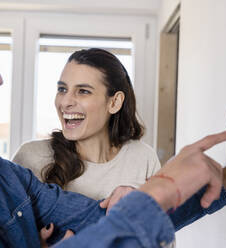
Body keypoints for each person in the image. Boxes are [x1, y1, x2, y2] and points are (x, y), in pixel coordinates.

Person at [0, 0, 226, 247]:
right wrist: (161, 188)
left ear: (115, 103)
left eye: (83, 91)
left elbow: (100, 221)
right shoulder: (26, 159)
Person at [13, 48, 160, 206]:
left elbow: (158, 228)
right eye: (62, 89)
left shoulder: (143, 159)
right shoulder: (31, 157)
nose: (65, 102)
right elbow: (5, 225)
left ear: (114, 102)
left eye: (83, 91)